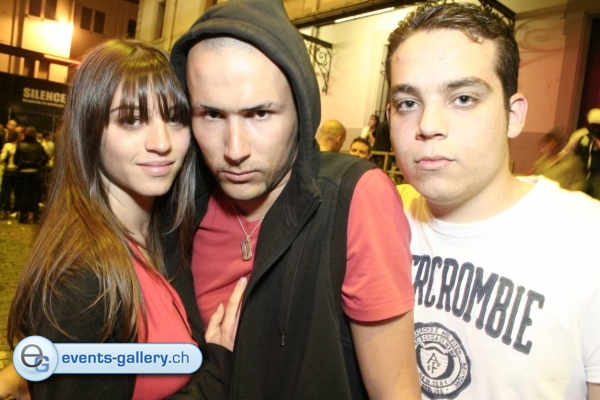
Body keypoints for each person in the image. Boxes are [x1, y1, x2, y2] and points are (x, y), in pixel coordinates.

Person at [169, 0, 419, 398]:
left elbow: (396, 392)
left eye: (260, 114)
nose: (234, 149)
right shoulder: (175, 211)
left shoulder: (353, 199)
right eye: (212, 115)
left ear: (302, 110)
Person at [4, 39, 244, 400]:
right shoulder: (83, 283)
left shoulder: (161, 240)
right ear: (88, 130)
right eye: (131, 120)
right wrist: (215, 376)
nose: (162, 142)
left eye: (174, 118)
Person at [387, 1, 600, 399]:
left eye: (463, 98)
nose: (428, 125)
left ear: (513, 115)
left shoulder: (588, 243)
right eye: (408, 103)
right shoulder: (376, 220)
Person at [14, 126, 48, 223]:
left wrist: (21, 165)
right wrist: (39, 164)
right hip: (35, 172)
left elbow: (15, 160)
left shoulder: (20, 145)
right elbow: (46, 157)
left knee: (24, 194)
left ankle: (24, 216)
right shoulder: (39, 146)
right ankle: (36, 216)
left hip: (23, 172)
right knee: (35, 194)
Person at [0, 131, 19, 218]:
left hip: (8, 170)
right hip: (17, 170)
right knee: (16, 191)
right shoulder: (19, 146)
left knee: (6, 191)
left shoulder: (7, 145)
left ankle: (7, 209)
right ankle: (15, 209)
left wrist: (3, 162)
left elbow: (2, 157)